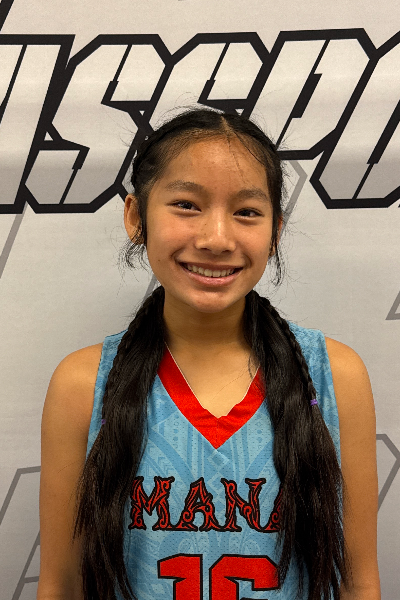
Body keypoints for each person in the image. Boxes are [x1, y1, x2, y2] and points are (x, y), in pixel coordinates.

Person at [37, 108, 380, 600]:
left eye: (247, 212)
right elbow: (62, 585)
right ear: (136, 216)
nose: (216, 239)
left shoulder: (333, 376)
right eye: (186, 204)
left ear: (275, 231)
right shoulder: (83, 384)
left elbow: (356, 582)